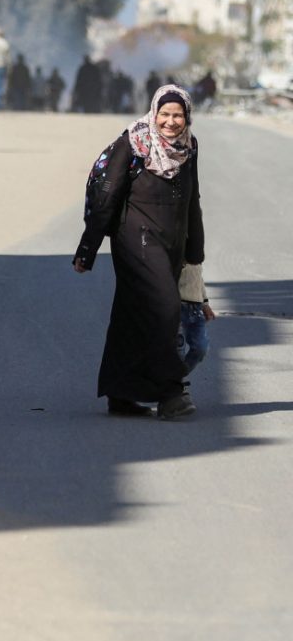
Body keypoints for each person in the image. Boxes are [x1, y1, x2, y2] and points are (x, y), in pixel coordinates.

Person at [73, 85, 204, 420]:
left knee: (131, 316)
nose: (171, 122)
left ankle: (120, 393)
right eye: (165, 114)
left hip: (171, 244)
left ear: (187, 117)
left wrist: (195, 255)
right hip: (135, 240)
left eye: (178, 115)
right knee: (165, 308)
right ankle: (171, 392)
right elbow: (107, 195)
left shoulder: (189, 147)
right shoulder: (132, 143)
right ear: (154, 113)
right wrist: (88, 249)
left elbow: (193, 201)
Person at [177, 263, 215, 378]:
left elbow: (199, 279)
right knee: (178, 353)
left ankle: (175, 378)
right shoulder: (173, 253)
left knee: (201, 348)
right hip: (178, 308)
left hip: (196, 310)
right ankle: (176, 382)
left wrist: (205, 304)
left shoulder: (196, 256)